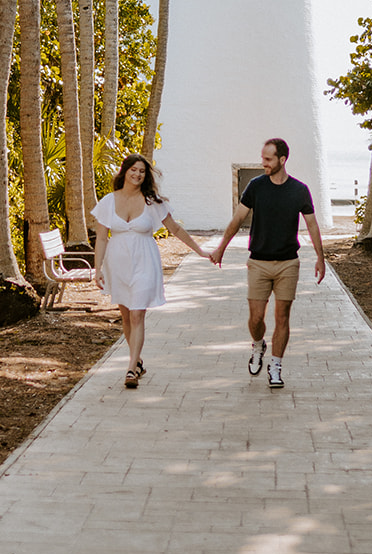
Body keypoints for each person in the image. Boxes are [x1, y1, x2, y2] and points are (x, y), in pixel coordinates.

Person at [210, 137, 324, 390]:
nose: (264, 163)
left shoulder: (299, 190)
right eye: (263, 158)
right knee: (256, 318)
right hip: (258, 262)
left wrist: (320, 258)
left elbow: (312, 224)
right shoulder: (255, 186)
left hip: (288, 264)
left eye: (268, 159)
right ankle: (259, 345)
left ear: (282, 160)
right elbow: (237, 219)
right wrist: (221, 248)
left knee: (282, 317)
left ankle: (276, 365)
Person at [93, 154, 212, 388]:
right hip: (117, 263)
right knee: (126, 315)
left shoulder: (152, 202)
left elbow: (175, 228)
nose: (137, 174)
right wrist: (97, 269)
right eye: (133, 170)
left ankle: (130, 369)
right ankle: (136, 361)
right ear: (124, 171)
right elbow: (101, 238)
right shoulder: (108, 201)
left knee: (138, 314)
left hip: (145, 262)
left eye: (142, 171)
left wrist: (200, 251)